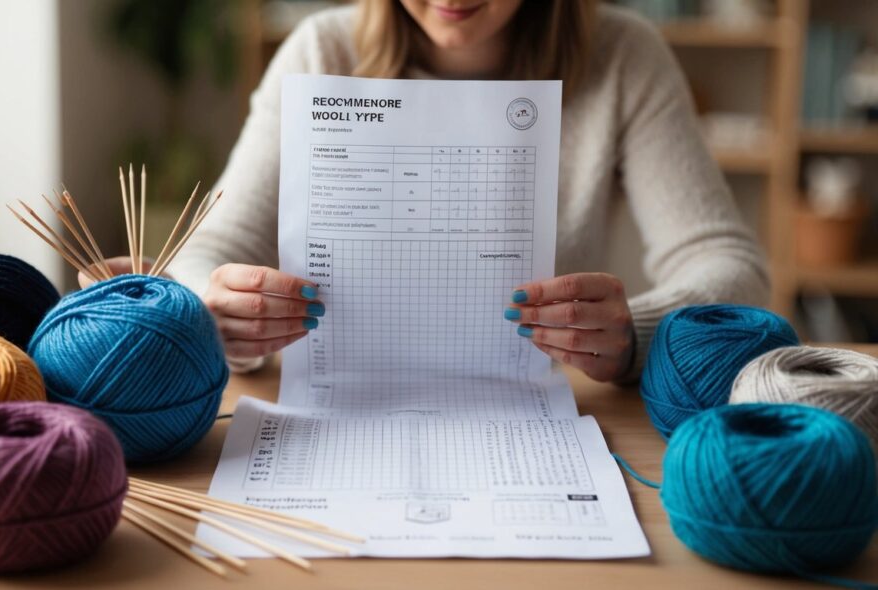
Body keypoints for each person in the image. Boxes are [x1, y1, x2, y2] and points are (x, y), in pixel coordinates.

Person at [88, 0, 769, 383]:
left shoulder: (626, 56)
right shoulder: (320, 51)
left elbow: (733, 270)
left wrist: (635, 332)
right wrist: (220, 308)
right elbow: (208, 246)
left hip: (536, 411)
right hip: (339, 412)